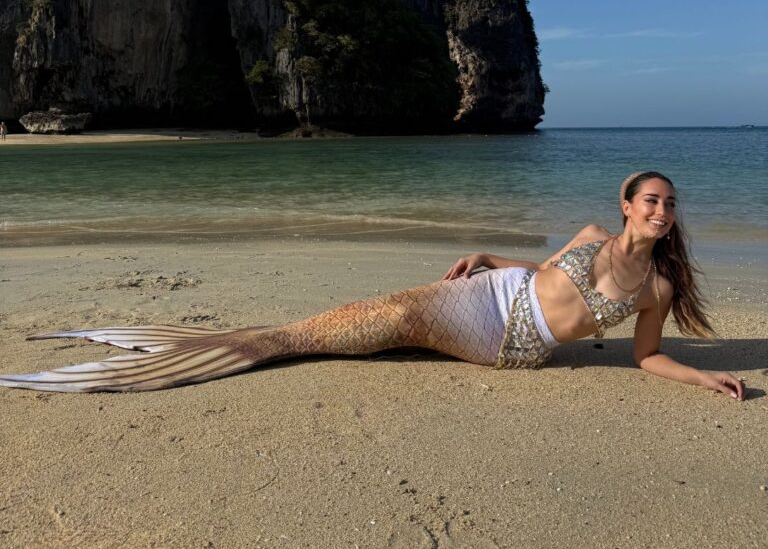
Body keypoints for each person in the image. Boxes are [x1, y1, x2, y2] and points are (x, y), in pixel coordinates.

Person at [0, 171, 745, 398]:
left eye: (671, 203)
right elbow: (547, 274)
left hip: (508, 340)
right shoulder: (589, 235)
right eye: (650, 199)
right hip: (497, 291)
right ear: (625, 206)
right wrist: (490, 257)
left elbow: (645, 356)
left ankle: (217, 351)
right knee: (372, 315)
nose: (661, 209)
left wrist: (703, 382)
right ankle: (245, 342)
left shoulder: (656, 291)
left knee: (384, 321)